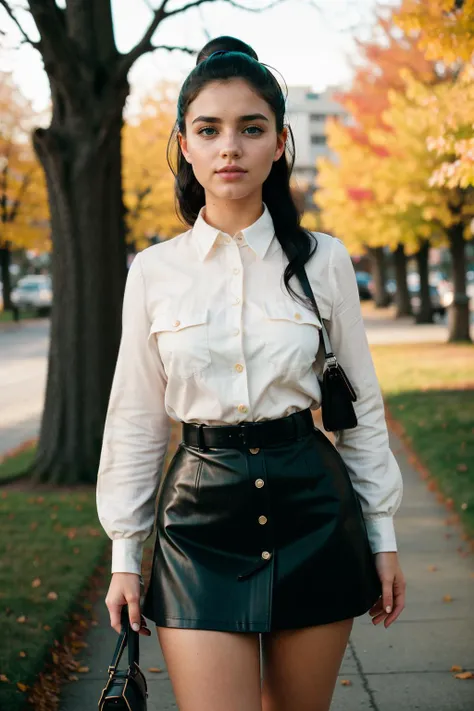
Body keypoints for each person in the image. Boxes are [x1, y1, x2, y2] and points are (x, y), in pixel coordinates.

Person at [96, 35, 405, 711]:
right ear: (185, 145)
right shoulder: (153, 272)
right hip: (198, 522)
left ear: (280, 142)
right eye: (209, 130)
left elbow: (364, 410)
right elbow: (138, 417)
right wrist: (125, 552)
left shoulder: (324, 261)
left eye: (250, 128)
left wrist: (381, 536)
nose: (229, 147)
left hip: (313, 514)